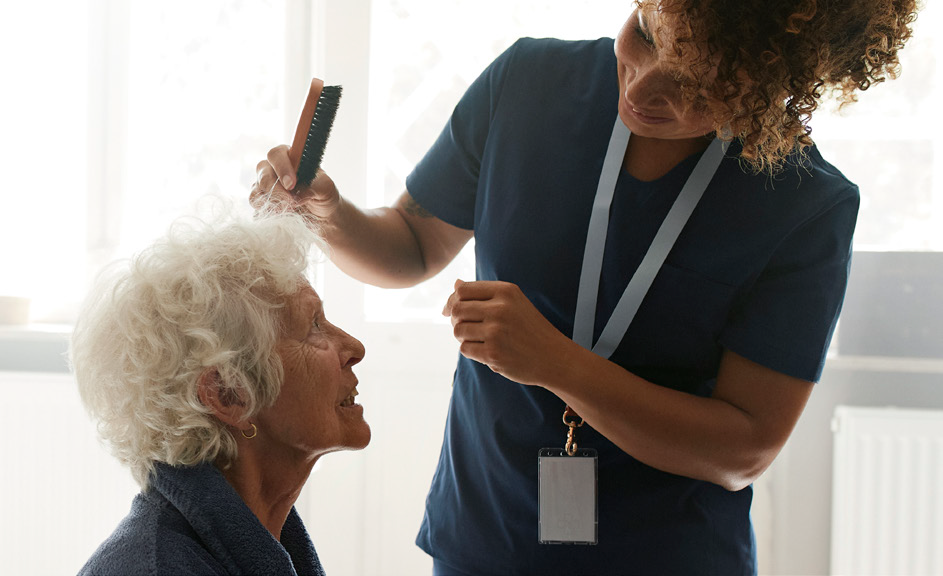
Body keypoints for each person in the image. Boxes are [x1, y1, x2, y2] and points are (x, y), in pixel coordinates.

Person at [250, 0, 918, 573]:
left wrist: (558, 364)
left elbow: (742, 448)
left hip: (662, 554)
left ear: (774, 86)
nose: (644, 85)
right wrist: (329, 216)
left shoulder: (805, 203)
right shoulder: (528, 81)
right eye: (648, 32)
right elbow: (413, 245)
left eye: (698, 82)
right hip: (484, 535)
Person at [69, 209, 368, 576]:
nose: (355, 347)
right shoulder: (158, 569)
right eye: (313, 327)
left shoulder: (268, 538)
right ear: (229, 394)